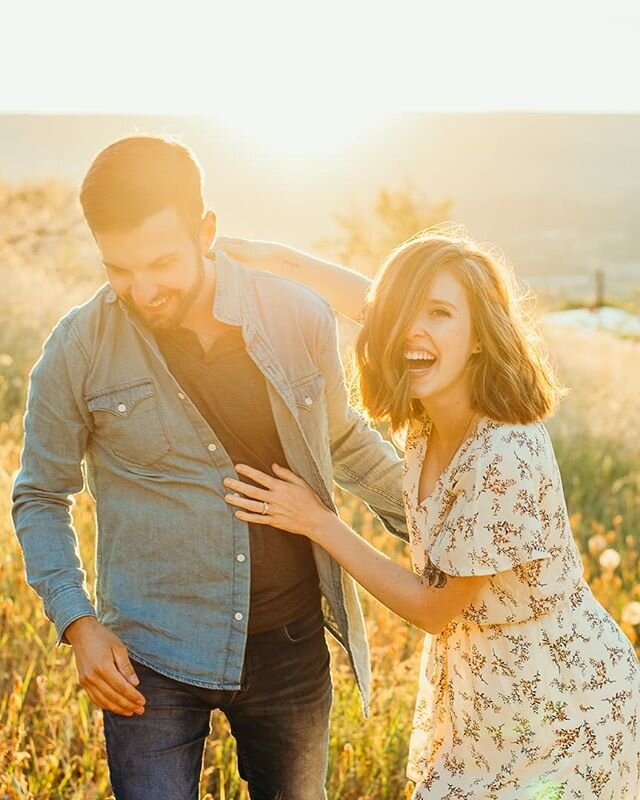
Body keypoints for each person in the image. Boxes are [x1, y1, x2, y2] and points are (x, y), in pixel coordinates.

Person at [11, 135, 409, 800]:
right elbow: (40, 494)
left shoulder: (295, 316)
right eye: (119, 268)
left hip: (290, 645)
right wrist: (78, 624)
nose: (142, 289)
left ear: (207, 231)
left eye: (161, 262)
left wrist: (443, 527)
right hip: (151, 657)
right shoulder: (78, 348)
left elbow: (343, 440)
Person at [220, 232, 640, 799]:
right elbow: (379, 307)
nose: (414, 331)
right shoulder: (429, 414)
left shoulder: (504, 453)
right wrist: (275, 260)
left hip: (563, 709)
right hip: (485, 697)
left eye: (441, 314)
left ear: (477, 338)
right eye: (405, 316)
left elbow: (433, 607)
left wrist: (319, 522)